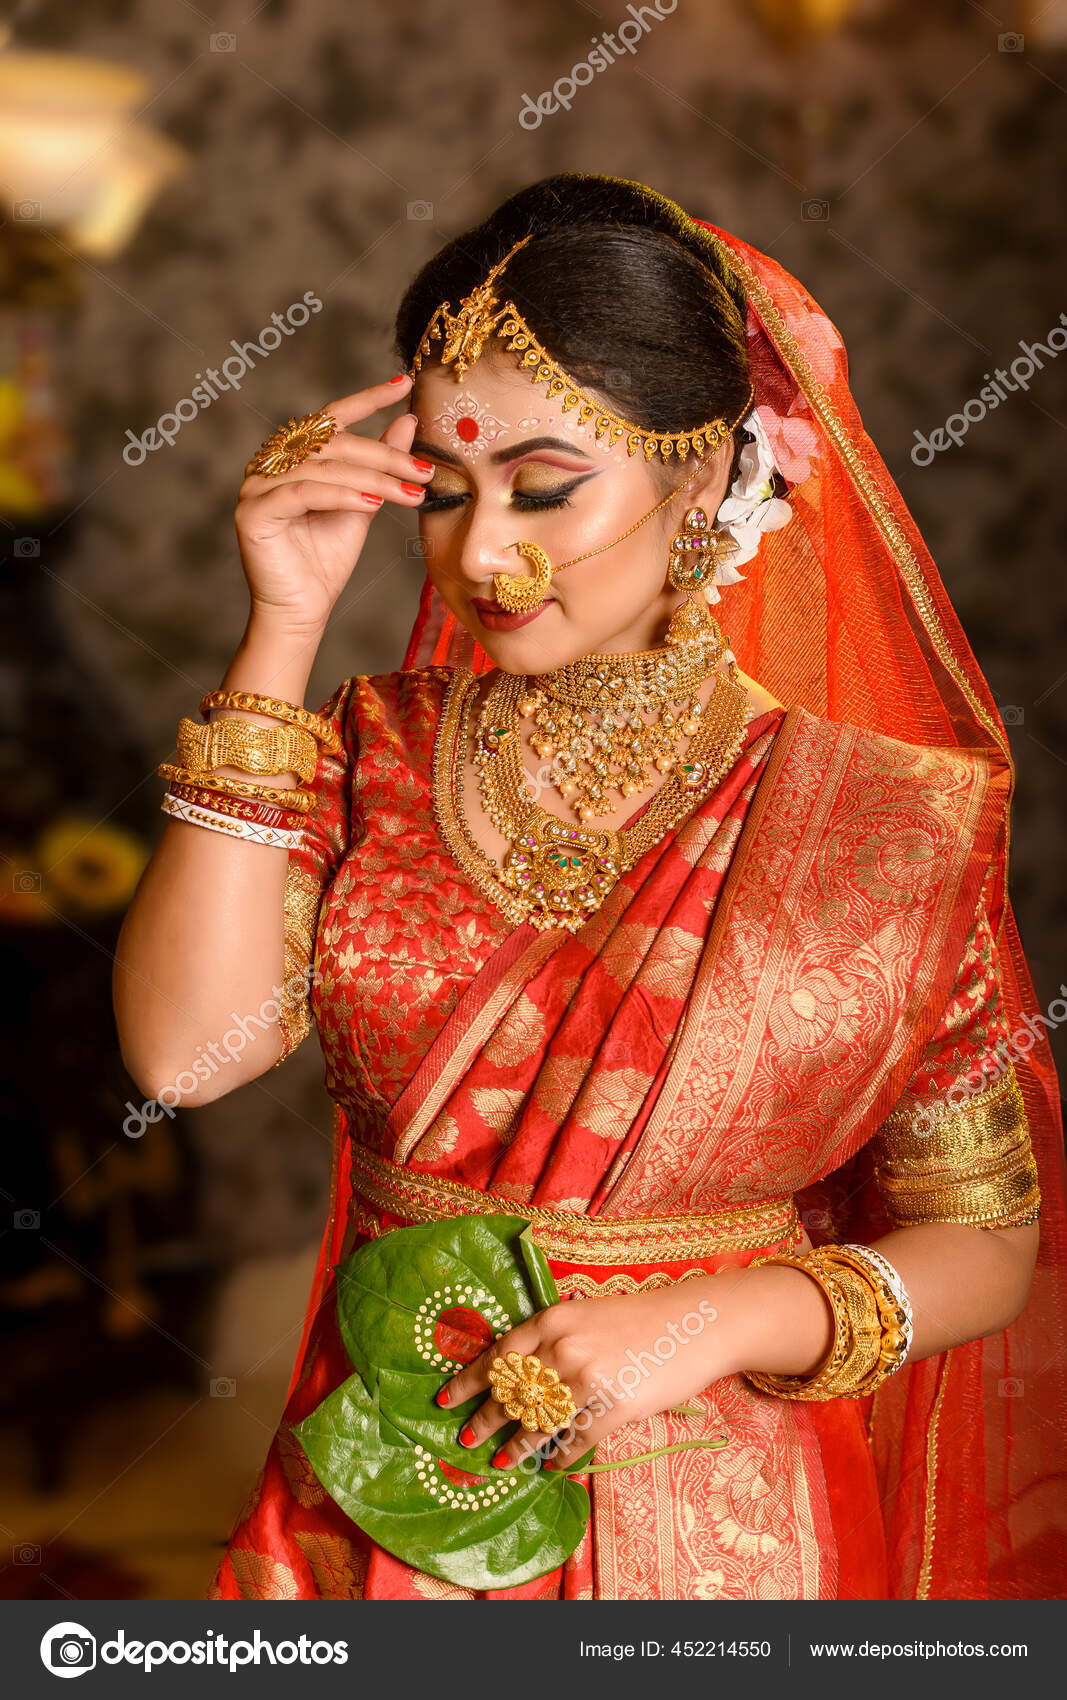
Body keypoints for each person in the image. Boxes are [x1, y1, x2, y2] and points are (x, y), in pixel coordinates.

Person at [113, 173, 1067, 1602]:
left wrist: (714, 1321)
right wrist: (282, 628)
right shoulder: (367, 750)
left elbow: (987, 1242)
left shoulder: (879, 821)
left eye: (548, 487)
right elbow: (185, 1058)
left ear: (700, 477)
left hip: (730, 1529)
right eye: (444, 489)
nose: (485, 552)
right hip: (384, 1489)